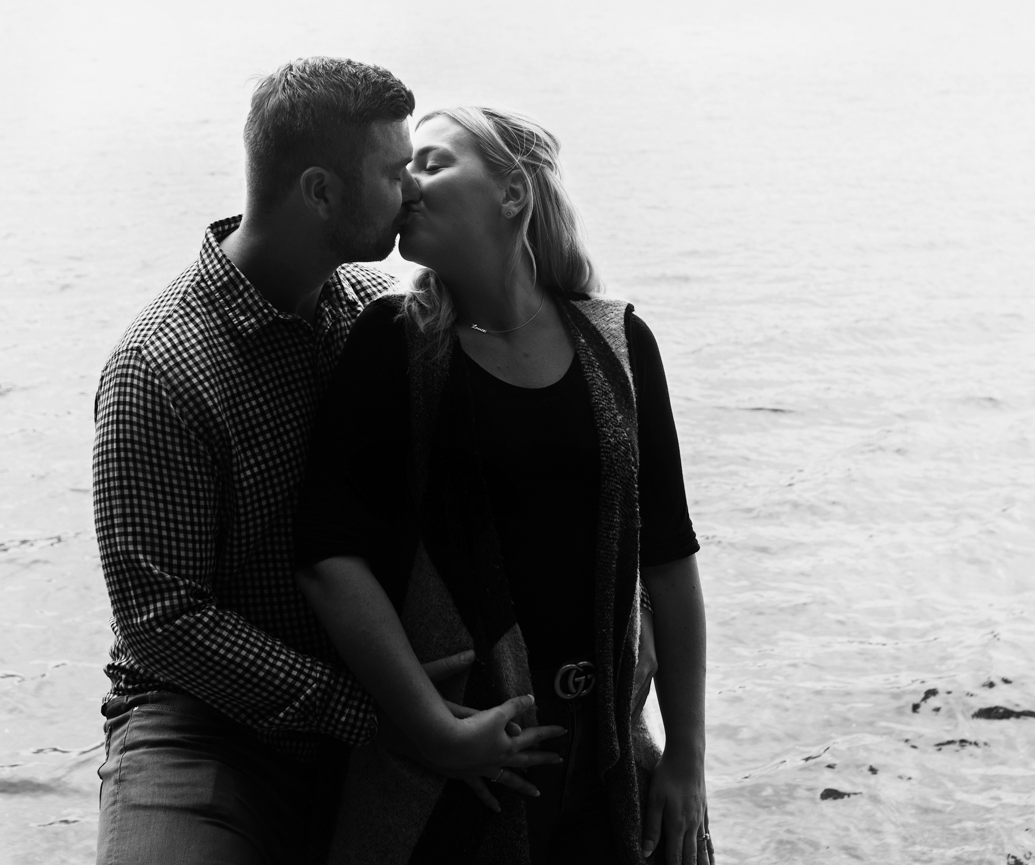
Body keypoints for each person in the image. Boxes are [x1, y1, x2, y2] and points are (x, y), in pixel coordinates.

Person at [91, 58, 562, 864]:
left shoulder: (372, 320)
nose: (412, 190)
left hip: (389, 695)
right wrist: (380, 720)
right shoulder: (158, 370)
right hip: (205, 727)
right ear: (320, 192)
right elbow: (163, 622)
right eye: (393, 171)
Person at [294, 106, 711, 865]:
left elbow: (670, 558)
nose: (405, 186)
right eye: (400, 171)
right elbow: (329, 557)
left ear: (512, 191)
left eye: (432, 162)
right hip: (461, 773)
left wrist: (685, 759)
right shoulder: (394, 343)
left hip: (610, 761)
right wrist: (434, 731)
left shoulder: (618, 342)